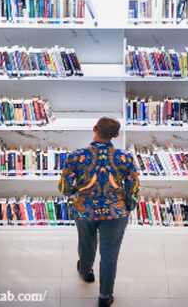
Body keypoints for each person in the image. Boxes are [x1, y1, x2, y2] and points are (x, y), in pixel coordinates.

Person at [58, 117, 139, 307]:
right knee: (110, 253)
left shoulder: (75, 155)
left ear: (94, 128)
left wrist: (76, 192)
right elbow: (133, 187)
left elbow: (65, 188)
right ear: (116, 135)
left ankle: (86, 272)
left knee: (86, 243)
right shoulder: (125, 157)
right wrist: (127, 206)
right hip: (115, 212)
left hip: (85, 210)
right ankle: (104, 296)